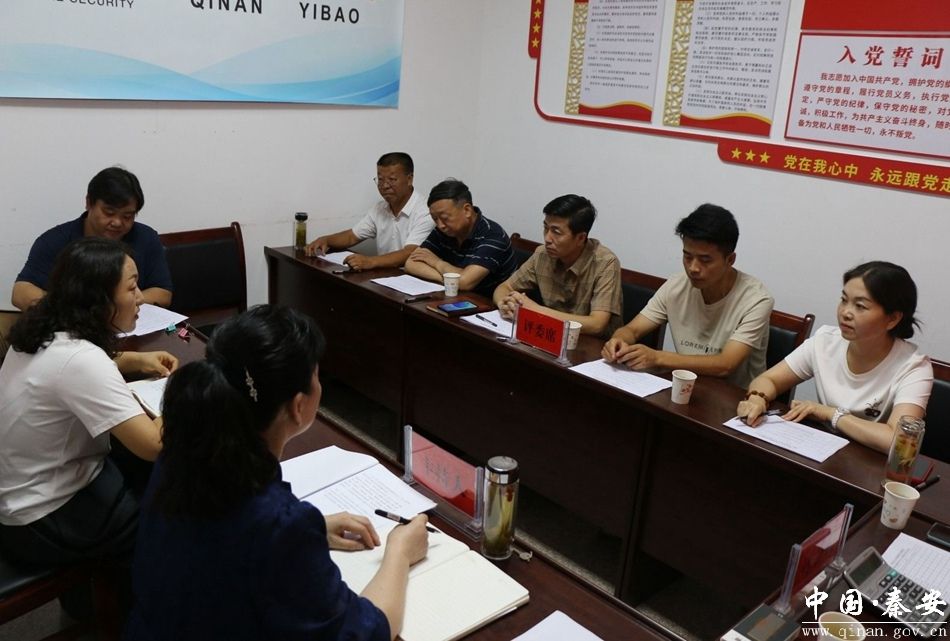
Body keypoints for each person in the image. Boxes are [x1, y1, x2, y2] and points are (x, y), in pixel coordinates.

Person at [125, 305, 429, 641]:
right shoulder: (280, 525)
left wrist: (313, 529)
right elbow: (362, 632)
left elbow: (224, 539)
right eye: (316, 375)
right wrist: (400, 553)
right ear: (298, 406)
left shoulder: (184, 447)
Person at [0, 237, 174, 573]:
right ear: (99, 299)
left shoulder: (37, 331)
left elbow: (66, 371)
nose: (141, 297)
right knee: (170, 507)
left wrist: (136, 359)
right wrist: (178, 391)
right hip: (43, 519)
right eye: (132, 288)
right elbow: (154, 445)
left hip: (19, 493)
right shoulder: (82, 360)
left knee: (138, 468)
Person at [737, 261, 933, 453]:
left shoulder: (914, 367)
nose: (845, 312)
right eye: (844, 300)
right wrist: (757, 399)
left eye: (860, 306)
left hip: (870, 467)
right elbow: (769, 380)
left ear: (893, 319)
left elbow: (898, 440)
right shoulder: (825, 341)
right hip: (821, 453)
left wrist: (831, 414)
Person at [602, 204, 773, 388]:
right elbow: (633, 330)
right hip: (686, 388)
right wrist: (619, 340)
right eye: (687, 257)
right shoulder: (677, 285)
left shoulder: (756, 300)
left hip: (736, 398)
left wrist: (657, 357)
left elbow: (726, 364)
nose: (693, 268)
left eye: (705, 260)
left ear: (730, 259)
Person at [12, 167, 173, 311]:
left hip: (130, 328)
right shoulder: (54, 240)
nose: (117, 222)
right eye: (109, 213)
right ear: (89, 203)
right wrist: (74, 312)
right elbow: (21, 292)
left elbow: (162, 293)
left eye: (127, 216)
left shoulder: (146, 238)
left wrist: (115, 308)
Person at [493, 194, 622, 338]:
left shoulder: (605, 263)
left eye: (556, 232)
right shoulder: (543, 254)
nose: (547, 238)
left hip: (590, 344)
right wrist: (505, 304)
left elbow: (596, 324)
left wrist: (535, 311)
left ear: (580, 238)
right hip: (550, 336)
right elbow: (504, 287)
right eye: (545, 228)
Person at [305, 153, 433, 270]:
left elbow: (410, 252)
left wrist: (370, 261)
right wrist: (326, 240)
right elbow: (351, 237)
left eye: (392, 179)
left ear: (409, 179)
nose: (385, 186)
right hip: (385, 276)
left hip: (414, 279)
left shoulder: (426, 211)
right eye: (380, 179)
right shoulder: (380, 208)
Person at [405, 179, 517, 298]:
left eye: (445, 218)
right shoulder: (445, 230)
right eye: (435, 219)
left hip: (488, 303)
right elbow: (411, 263)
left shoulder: (493, 236)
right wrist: (449, 280)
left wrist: (436, 262)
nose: (440, 225)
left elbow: (464, 282)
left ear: (467, 210)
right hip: (455, 297)